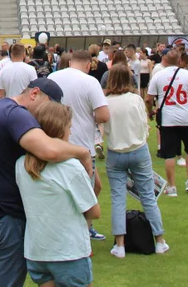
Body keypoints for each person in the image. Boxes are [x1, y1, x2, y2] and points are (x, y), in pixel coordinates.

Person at [0, 77, 91, 287]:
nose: (45, 117)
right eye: (48, 107)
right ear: (34, 94)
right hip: (3, 217)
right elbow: (48, 149)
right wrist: (83, 153)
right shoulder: (16, 115)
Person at [15, 101, 100, 287]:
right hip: (68, 252)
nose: (71, 132)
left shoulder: (21, 164)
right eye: (69, 128)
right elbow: (94, 211)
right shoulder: (70, 167)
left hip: (37, 251)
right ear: (61, 130)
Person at [103, 64, 168, 258]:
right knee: (148, 195)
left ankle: (120, 244)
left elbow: (105, 127)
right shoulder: (135, 100)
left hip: (116, 151)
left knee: (118, 198)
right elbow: (143, 123)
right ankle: (160, 241)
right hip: (138, 150)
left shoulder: (106, 102)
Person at [50, 49, 110, 240]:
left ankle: (84, 228)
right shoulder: (90, 81)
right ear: (87, 65)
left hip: (56, 143)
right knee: (84, 192)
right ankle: (79, 233)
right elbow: (103, 115)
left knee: (94, 187)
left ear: (70, 63)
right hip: (82, 146)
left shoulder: (53, 77)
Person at [147, 49, 188, 197]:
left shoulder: (158, 75)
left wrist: (151, 111)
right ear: (180, 60)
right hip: (186, 117)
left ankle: (172, 186)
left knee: (169, 154)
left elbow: (148, 98)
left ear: (165, 59)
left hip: (168, 119)